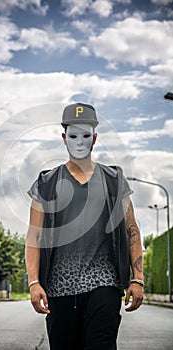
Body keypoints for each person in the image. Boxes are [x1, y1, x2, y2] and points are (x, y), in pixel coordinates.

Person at [25, 102, 143, 350]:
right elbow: (34, 237)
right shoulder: (46, 183)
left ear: (95, 139)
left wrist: (138, 278)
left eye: (86, 135)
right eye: (73, 136)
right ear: (64, 138)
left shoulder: (113, 180)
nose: (80, 142)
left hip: (105, 285)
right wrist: (34, 282)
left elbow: (132, 230)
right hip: (59, 289)